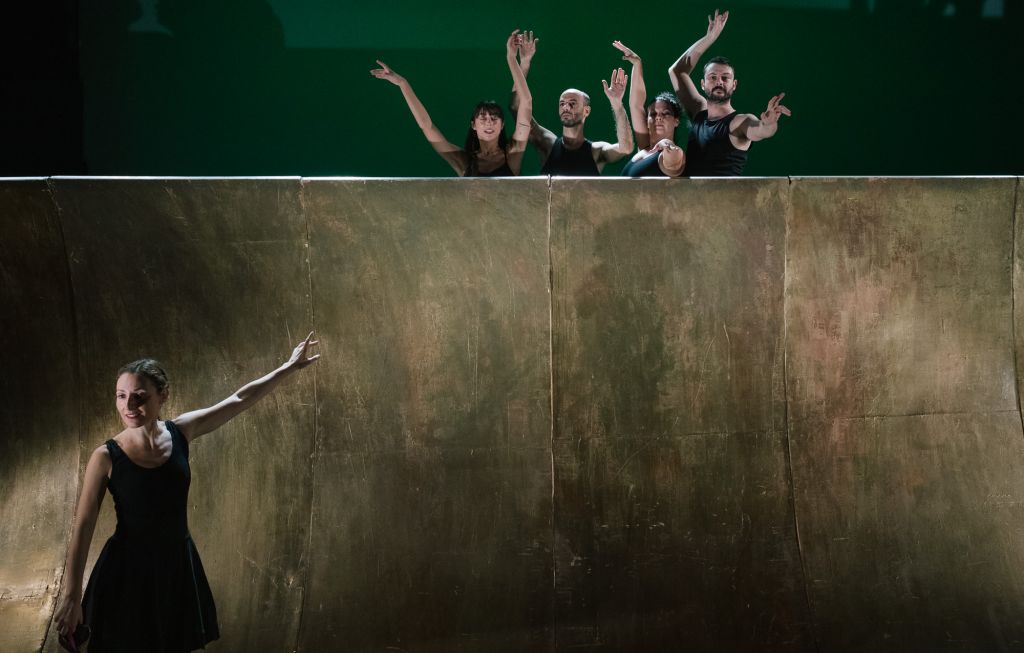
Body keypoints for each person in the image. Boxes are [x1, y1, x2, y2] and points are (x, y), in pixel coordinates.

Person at [53, 333, 321, 652]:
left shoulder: (181, 431)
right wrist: (72, 597)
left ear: (163, 395)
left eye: (139, 396)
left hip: (177, 565)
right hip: (127, 571)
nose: (129, 406)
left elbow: (238, 399)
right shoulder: (105, 456)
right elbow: (83, 527)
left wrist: (288, 367)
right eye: (121, 396)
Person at [371, 30, 533, 176]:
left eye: (494, 118)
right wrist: (402, 83)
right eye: (483, 118)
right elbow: (427, 126)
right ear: (474, 125)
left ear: (502, 124)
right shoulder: (463, 160)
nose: (489, 122)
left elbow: (526, 102)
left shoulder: (513, 153)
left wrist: (512, 59)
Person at [668, 9, 791, 176]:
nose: (719, 82)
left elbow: (760, 130)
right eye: (713, 77)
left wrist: (768, 124)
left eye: (725, 78)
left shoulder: (739, 122)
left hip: (725, 194)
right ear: (703, 84)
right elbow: (677, 71)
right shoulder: (699, 112)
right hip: (690, 193)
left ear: (734, 85)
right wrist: (710, 38)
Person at [511, 31, 634, 175]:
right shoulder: (547, 144)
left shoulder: (597, 151)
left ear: (586, 111)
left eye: (572, 103)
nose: (565, 107)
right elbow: (516, 108)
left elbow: (626, 148)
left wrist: (617, 104)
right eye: (562, 103)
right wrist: (524, 63)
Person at [612, 41, 686, 177]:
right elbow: (636, 105)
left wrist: (667, 145)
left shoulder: (669, 155)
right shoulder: (644, 146)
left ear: (676, 120)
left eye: (666, 113)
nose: (658, 117)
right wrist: (637, 64)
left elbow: (674, 160)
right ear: (647, 121)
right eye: (653, 114)